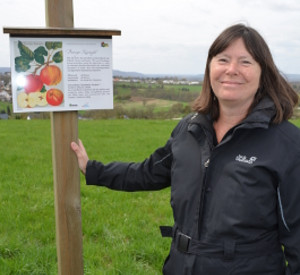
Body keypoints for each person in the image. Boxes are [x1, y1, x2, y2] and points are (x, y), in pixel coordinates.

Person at [71, 24, 300, 274]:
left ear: (262, 73)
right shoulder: (190, 129)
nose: (231, 70)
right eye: (223, 59)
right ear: (210, 68)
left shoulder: (286, 143)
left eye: (245, 62)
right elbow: (148, 172)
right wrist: (92, 169)